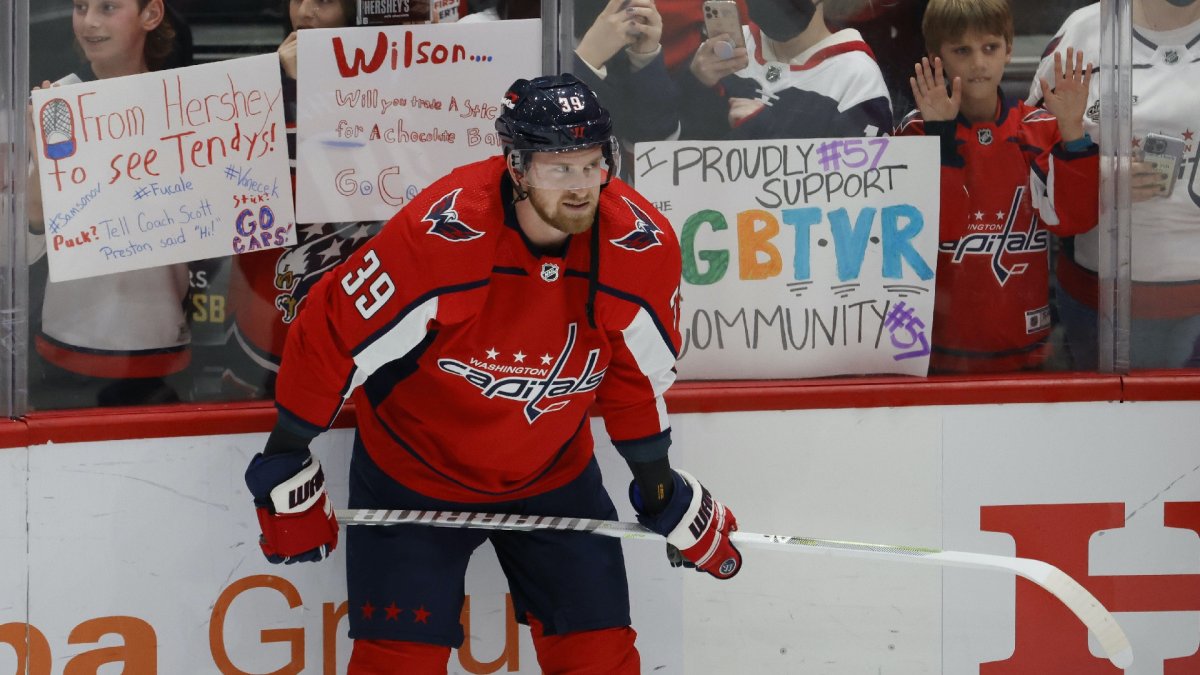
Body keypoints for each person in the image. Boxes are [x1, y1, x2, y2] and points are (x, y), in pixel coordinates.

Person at [242, 74, 743, 673]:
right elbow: (331, 332)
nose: (584, 187)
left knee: (601, 659)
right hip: (413, 474)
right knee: (394, 664)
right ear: (517, 166)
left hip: (553, 475)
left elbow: (637, 375)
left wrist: (658, 484)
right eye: (561, 169)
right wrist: (287, 453)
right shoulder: (445, 232)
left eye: (593, 165)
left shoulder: (639, 245)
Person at [896, 0, 1099, 373]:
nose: (978, 64)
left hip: (1027, 348)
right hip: (939, 353)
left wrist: (1073, 135)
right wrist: (941, 136)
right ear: (935, 56)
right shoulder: (915, 130)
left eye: (989, 48)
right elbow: (938, 231)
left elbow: (1073, 222)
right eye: (962, 50)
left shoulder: (1037, 127)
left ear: (1009, 49)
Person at [27, 0, 190, 408]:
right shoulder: (56, 103)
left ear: (151, 15)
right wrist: (41, 155)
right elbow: (32, 227)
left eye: (107, 7)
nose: (89, 22)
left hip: (159, 343)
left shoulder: (190, 108)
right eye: (80, 7)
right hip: (67, 345)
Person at [1028, 0, 1200, 370]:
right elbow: (1031, 143)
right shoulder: (1085, 31)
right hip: (1098, 300)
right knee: (1111, 427)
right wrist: (1100, 176)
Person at [223, 0, 380, 399]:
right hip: (262, 328)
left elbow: (364, 182)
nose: (305, 12)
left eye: (324, 1)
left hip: (353, 329)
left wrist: (310, 88)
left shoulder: (388, 91)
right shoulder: (252, 88)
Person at [679, 0, 893, 140]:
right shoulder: (724, 49)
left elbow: (859, 182)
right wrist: (697, 85)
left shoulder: (856, 75)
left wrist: (765, 134)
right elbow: (679, 148)